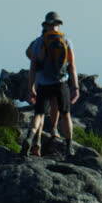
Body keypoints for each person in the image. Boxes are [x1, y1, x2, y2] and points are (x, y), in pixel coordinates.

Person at [21, 11, 80, 157]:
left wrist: (31, 87)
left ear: (46, 25)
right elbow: (72, 66)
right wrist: (75, 87)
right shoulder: (66, 41)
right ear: (59, 24)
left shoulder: (39, 42)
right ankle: (68, 146)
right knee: (65, 114)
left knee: (39, 114)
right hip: (61, 82)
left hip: (43, 83)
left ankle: (29, 139)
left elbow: (33, 66)